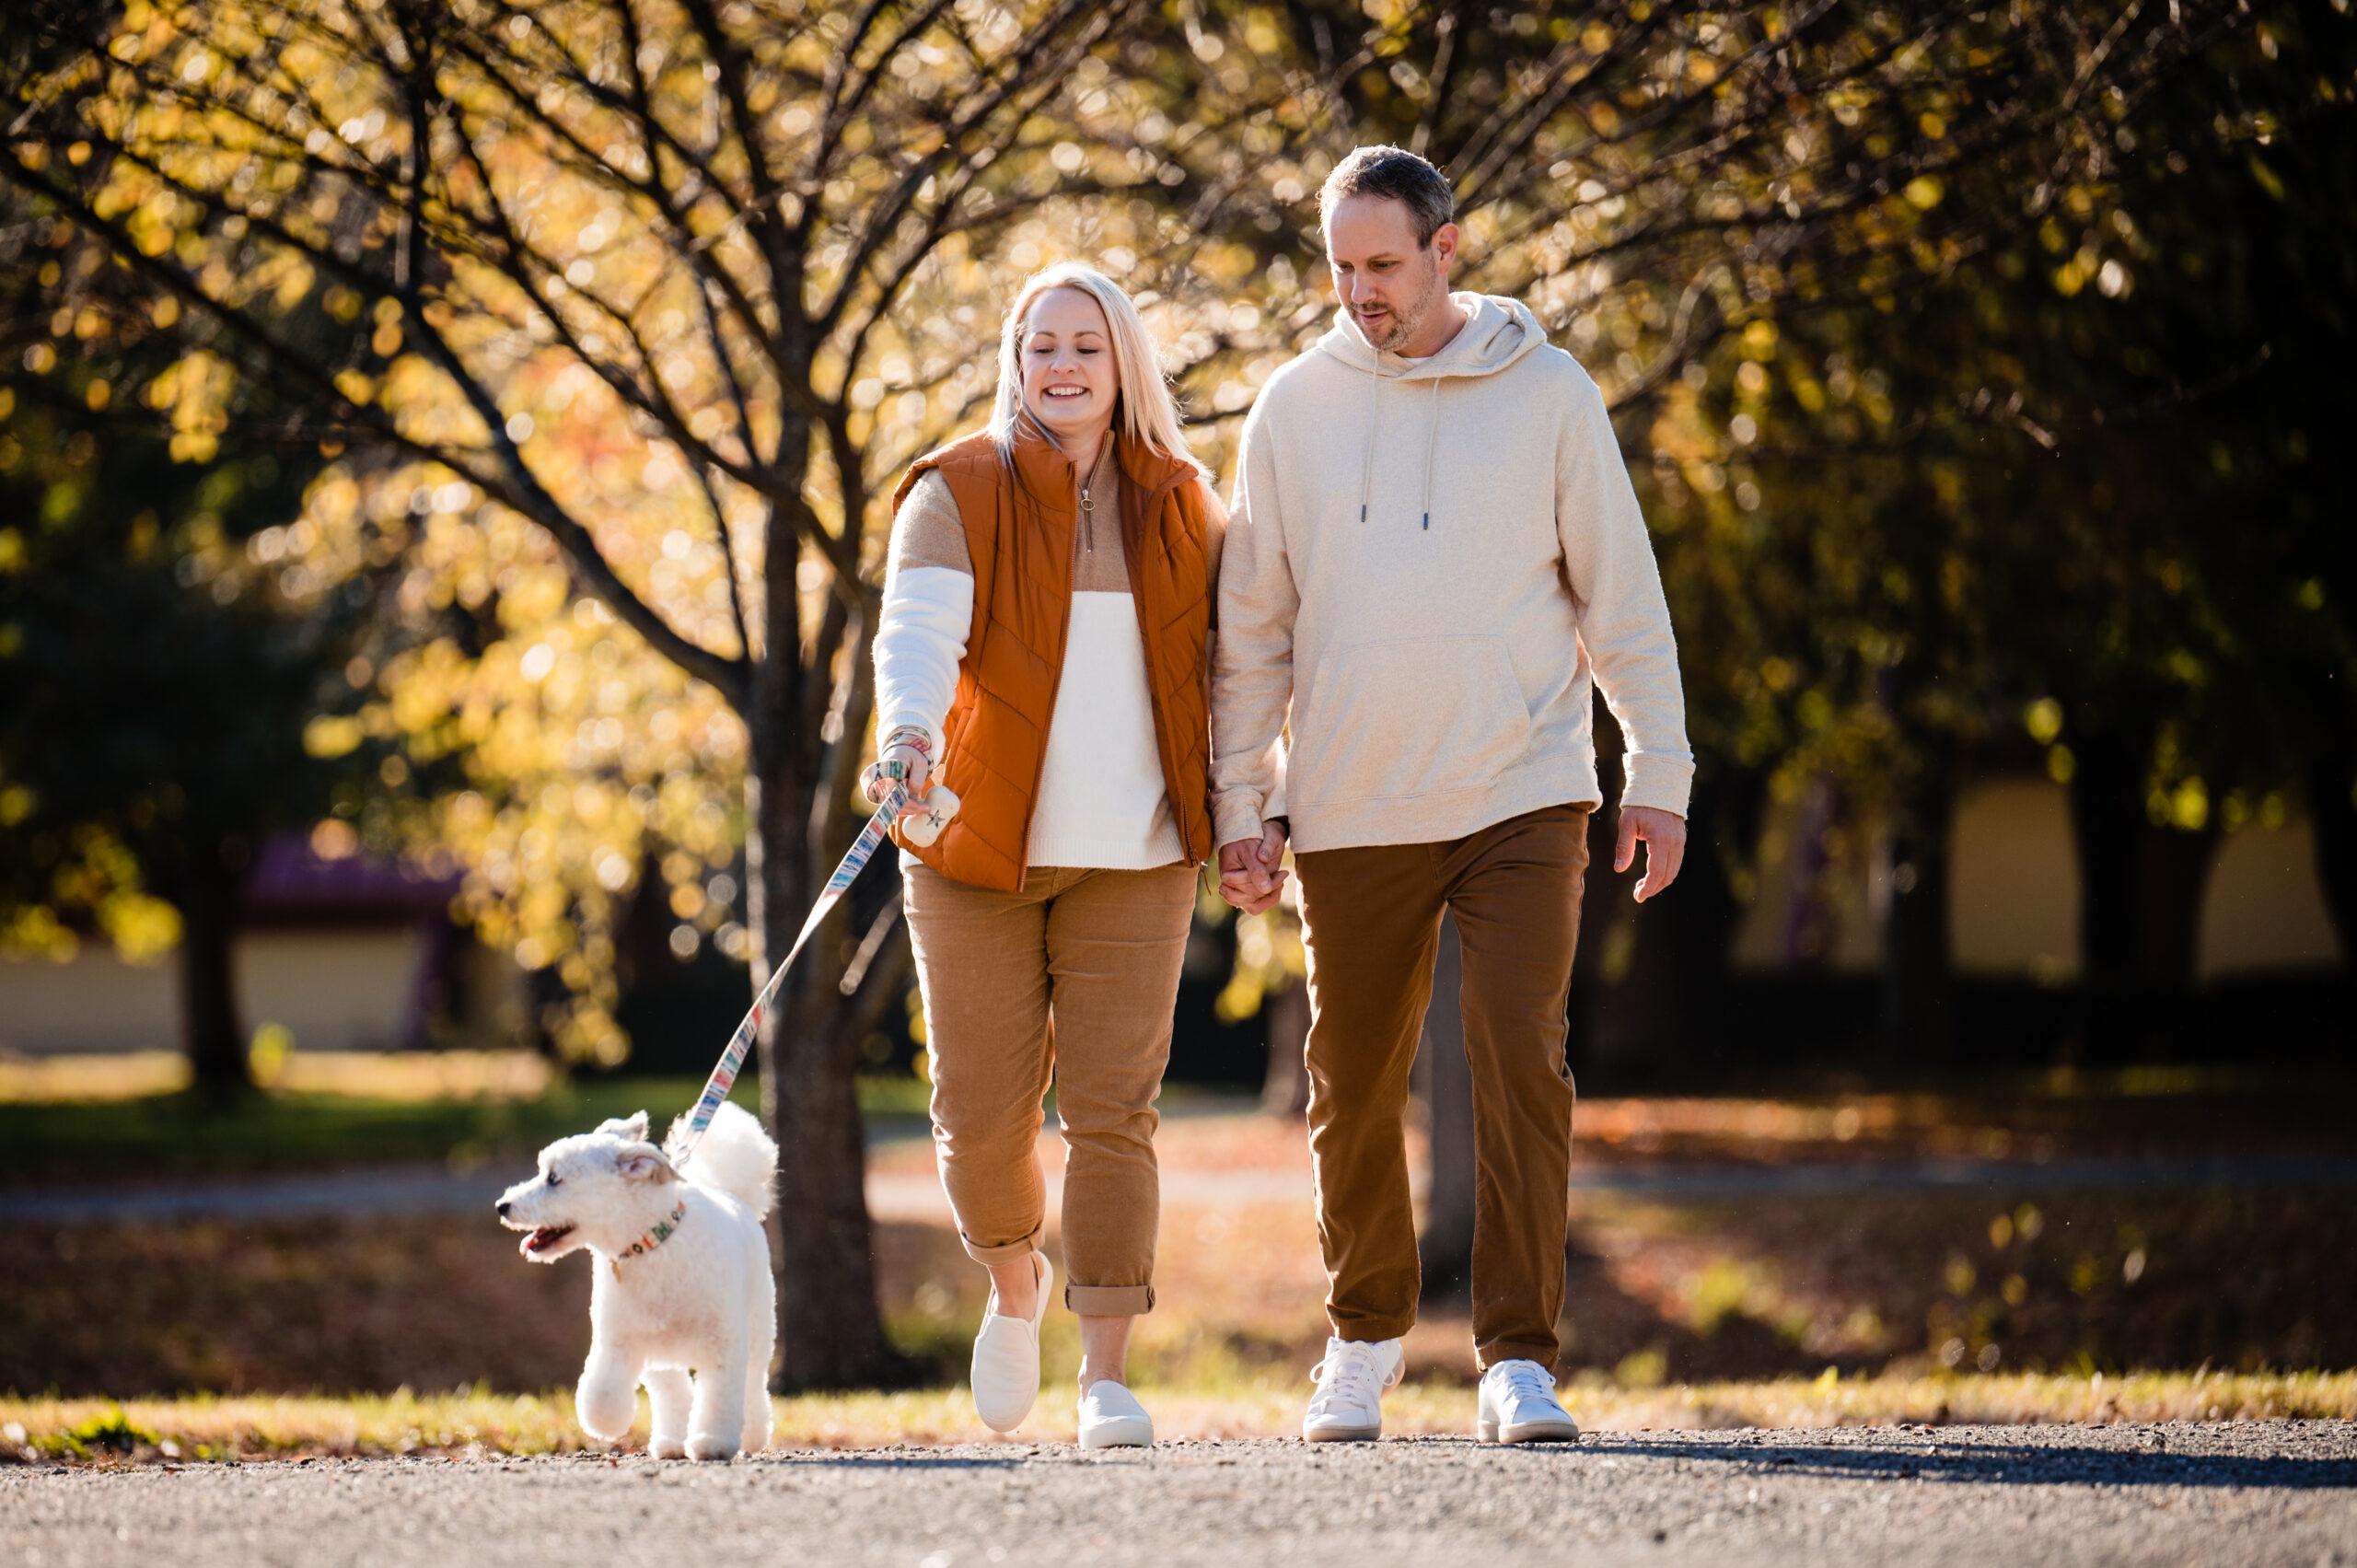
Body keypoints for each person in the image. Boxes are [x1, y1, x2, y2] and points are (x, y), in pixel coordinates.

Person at [1210, 145, 1693, 1445]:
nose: (1361, 291)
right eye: (1342, 267)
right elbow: (1252, 630)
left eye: (1384, 264)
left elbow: (1621, 597)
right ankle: (1362, 1341)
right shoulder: (1293, 409)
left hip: (1524, 788)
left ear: (1448, 250)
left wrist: (1659, 772)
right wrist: (1236, 802)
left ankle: (1518, 1359)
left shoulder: (1548, 395)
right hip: (1356, 798)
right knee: (1350, 1079)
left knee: (1520, 1062)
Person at [865, 262, 1227, 1449]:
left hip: (1139, 854)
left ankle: (1107, 1374)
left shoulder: (1182, 503)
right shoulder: (953, 490)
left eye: (1085, 346)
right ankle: (1013, 1278)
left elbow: (1233, 673)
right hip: (973, 850)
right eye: (1040, 348)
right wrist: (907, 737)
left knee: (1116, 1114)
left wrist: (1248, 809)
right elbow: (915, 636)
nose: (1062, 367)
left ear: (1124, 362)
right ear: (1014, 364)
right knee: (980, 1121)